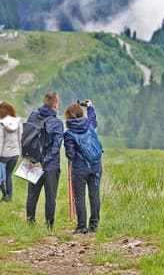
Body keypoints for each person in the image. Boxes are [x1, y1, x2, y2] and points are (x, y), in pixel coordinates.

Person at [25, 92, 64, 229]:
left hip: (33, 162)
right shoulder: (57, 123)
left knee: (32, 196)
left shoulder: (32, 116)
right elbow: (56, 146)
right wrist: (44, 161)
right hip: (50, 166)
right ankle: (49, 227)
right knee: (50, 197)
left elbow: (26, 137)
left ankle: (30, 224)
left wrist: (32, 159)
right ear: (54, 104)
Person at [64, 100, 101, 234]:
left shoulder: (69, 134)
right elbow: (93, 117)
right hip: (96, 165)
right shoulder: (89, 125)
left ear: (67, 117)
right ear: (80, 114)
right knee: (94, 194)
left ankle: (81, 226)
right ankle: (94, 225)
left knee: (79, 197)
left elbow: (70, 154)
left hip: (79, 169)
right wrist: (89, 106)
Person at [0, 101, 21, 203]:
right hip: (15, 153)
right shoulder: (17, 122)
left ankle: (4, 195)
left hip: (4, 154)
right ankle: (9, 197)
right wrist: (21, 153)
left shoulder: (0, 124)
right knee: (9, 175)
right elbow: (20, 138)